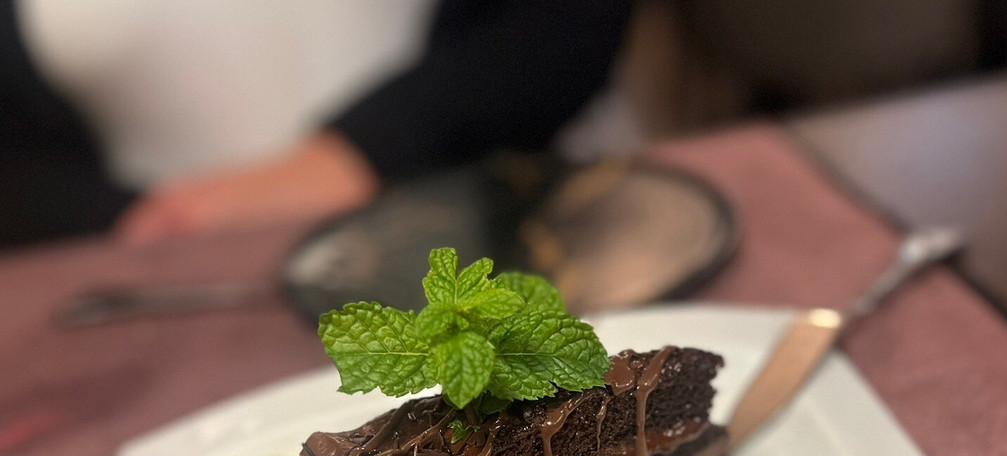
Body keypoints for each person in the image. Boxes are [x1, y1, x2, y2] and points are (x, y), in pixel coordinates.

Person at [0, 0, 633, 248]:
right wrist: (140, 218)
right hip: (167, 288)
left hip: (512, 226)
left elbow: (555, 25)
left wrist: (361, 152)